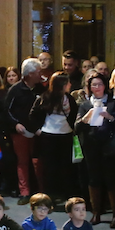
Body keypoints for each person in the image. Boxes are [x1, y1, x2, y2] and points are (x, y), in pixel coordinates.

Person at [75, 72, 115, 225]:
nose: (97, 87)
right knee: (93, 180)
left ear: (105, 86)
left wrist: (110, 117)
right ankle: (96, 212)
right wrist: (86, 118)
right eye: (93, 85)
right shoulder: (85, 104)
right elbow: (76, 127)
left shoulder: (112, 103)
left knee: (111, 180)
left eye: (99, 84)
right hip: (91, 146)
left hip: (109, 146)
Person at [29, 72, 78, 202]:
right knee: (49, 168)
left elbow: (74, 115)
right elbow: (32, 116)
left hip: (66, 135)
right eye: (67, 83)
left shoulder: (69, 98)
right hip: (48, 136)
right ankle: (49, 197)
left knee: (66, 167)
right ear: (61, 84)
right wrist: (38, 131)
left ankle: (65, 195)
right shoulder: (44, 97)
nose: (70, 85)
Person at [3, 58, 45, 199]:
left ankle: (41, 191)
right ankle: (24, 192)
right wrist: (16, 124)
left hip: (38, 131)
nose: (41, 74)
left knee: (37, 162)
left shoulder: (41, 89)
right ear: (30, 73)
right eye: (38, 72)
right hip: (20, 132)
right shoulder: (15, 90)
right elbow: (6, 111)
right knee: (22, 162)